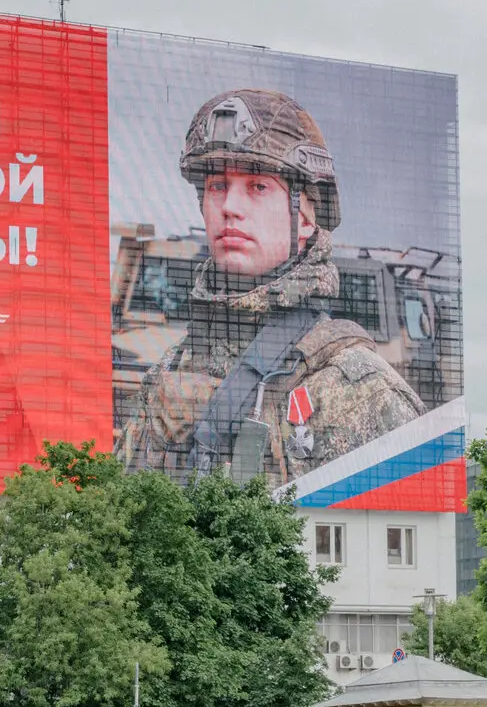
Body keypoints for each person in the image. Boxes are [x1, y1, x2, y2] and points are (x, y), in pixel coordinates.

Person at [119, 87, 424, 483]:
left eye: (258, 187)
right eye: (217, 187)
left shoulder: (366, 393)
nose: (230, 206)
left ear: (308, 217)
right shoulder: (168, 373)